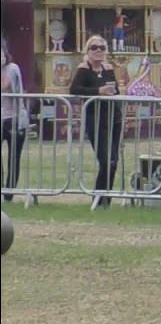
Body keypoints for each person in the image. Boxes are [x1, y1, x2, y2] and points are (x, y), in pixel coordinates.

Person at [69, 35, 123, 206]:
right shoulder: (84, 69)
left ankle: (105, 199)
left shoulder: (108, 68)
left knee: (113, 161)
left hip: (114, 117)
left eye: (102, 47)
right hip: (95, 118)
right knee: (105, 160)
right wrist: (98, 91)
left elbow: (116, 90)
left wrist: (112, 91)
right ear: (88, 50)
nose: (98, 50)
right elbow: (74, 89)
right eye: (94, 47)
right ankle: (98, 198)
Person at [2, 43, 30, 200]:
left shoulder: (12, 68)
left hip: (14, 118)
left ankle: (9, 194)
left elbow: (6, 85)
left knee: (14, 157)